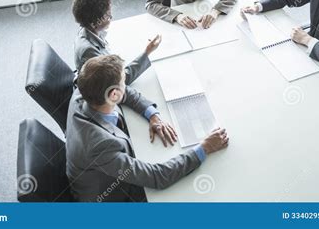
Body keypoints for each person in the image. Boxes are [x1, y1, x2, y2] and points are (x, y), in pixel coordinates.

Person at [66, 55, 229, 202]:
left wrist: (152, 115)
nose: (126, 83)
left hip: (100, 171)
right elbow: (157, 177)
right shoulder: (99, 146)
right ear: (113, 94)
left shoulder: (82, 93)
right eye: (124, 80)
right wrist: (203, 148)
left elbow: (125, 92)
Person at [73, 0, 161, 85]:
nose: (111, 18)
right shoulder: (89, 52)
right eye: (108, 16)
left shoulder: (86, 30)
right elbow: (120, 80)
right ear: (94, 23)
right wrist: (147, 52)